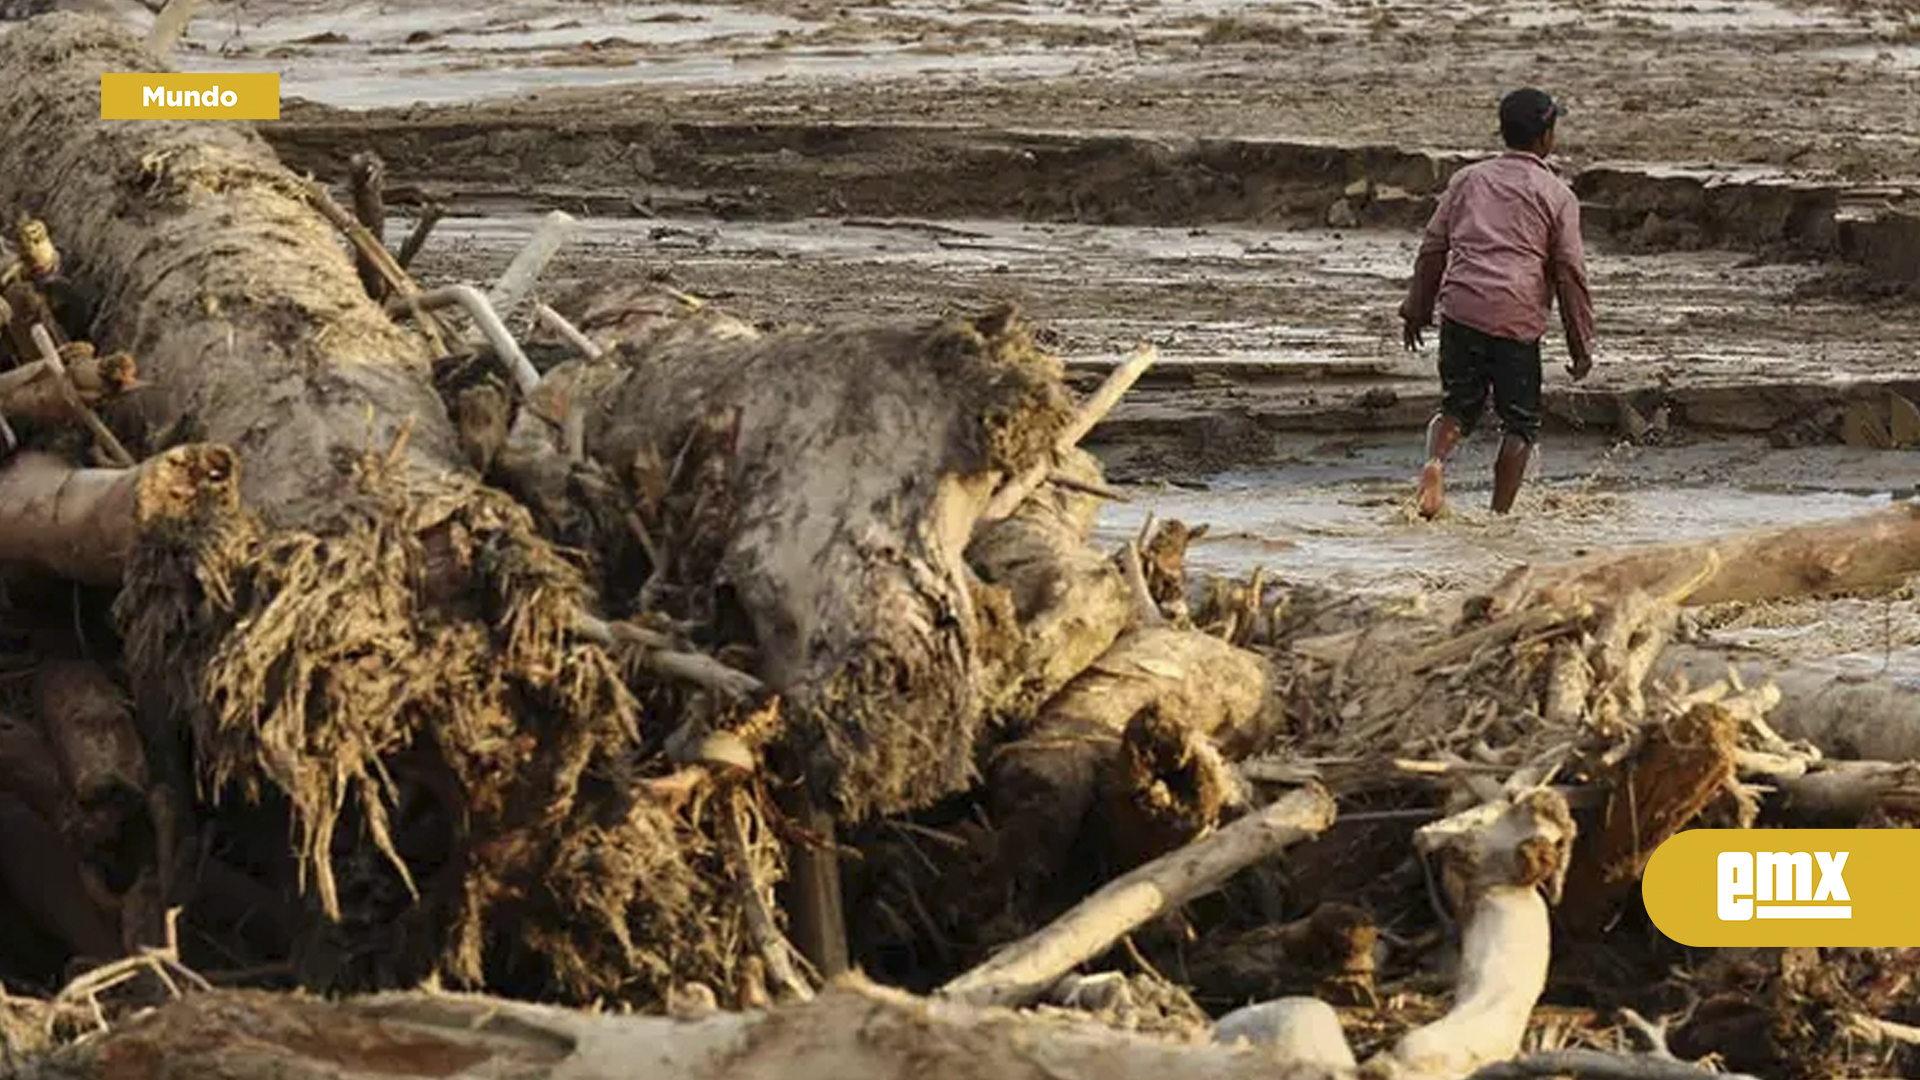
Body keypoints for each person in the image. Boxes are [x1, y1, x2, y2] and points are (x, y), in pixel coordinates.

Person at [1399, 87, 1596, 519]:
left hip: (1462, 310)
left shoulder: (1468, 180)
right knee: (1520, 424)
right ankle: (1499, 517)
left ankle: (1434, 465)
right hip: (1516, 319)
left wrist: (1417, 306)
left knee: (1455, 408)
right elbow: (1570, 275)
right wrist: (1581, 346)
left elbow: (1433, 248)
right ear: (1546, 137)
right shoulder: (1557, 195)